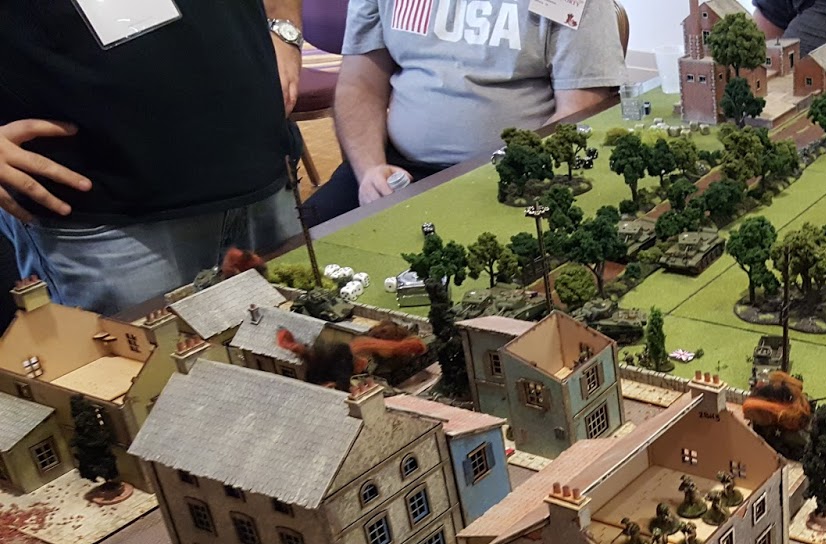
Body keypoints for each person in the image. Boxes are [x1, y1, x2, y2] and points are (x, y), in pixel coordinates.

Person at [0, 1, 304, 315]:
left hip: (263, 164)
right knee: (140, 348)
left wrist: (284, 27)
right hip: (107, 219)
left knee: (301, 332)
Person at [305, 0, 625, 226]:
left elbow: (577, 113)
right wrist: (369, 171)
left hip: (514, 177)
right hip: (395, 169)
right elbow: (359, 85)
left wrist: (512, 180)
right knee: (297, 250)